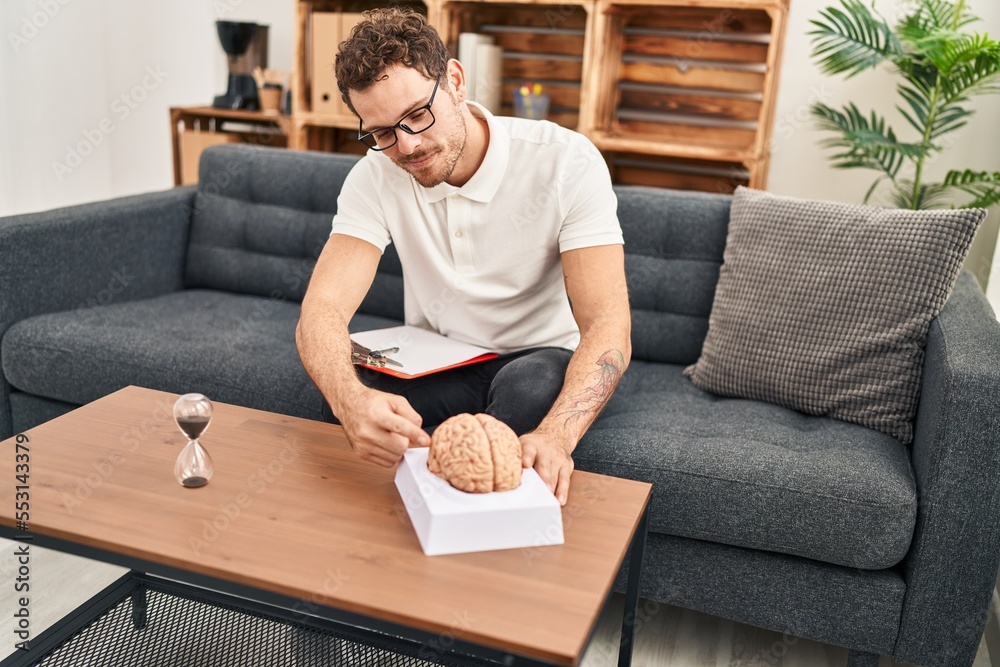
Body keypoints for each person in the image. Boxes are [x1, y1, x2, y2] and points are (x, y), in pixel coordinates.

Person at [295, 7, 630, 505]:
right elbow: (320, 310)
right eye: (382, 132)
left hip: (537, 358)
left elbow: (608, 323)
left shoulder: (566, 162)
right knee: (337, 394)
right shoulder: (375, 174)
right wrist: (351, 401)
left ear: (454, 81)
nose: (406, 146)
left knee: (530, 392)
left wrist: (558, 435)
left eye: (416, 115)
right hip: (439, 359)